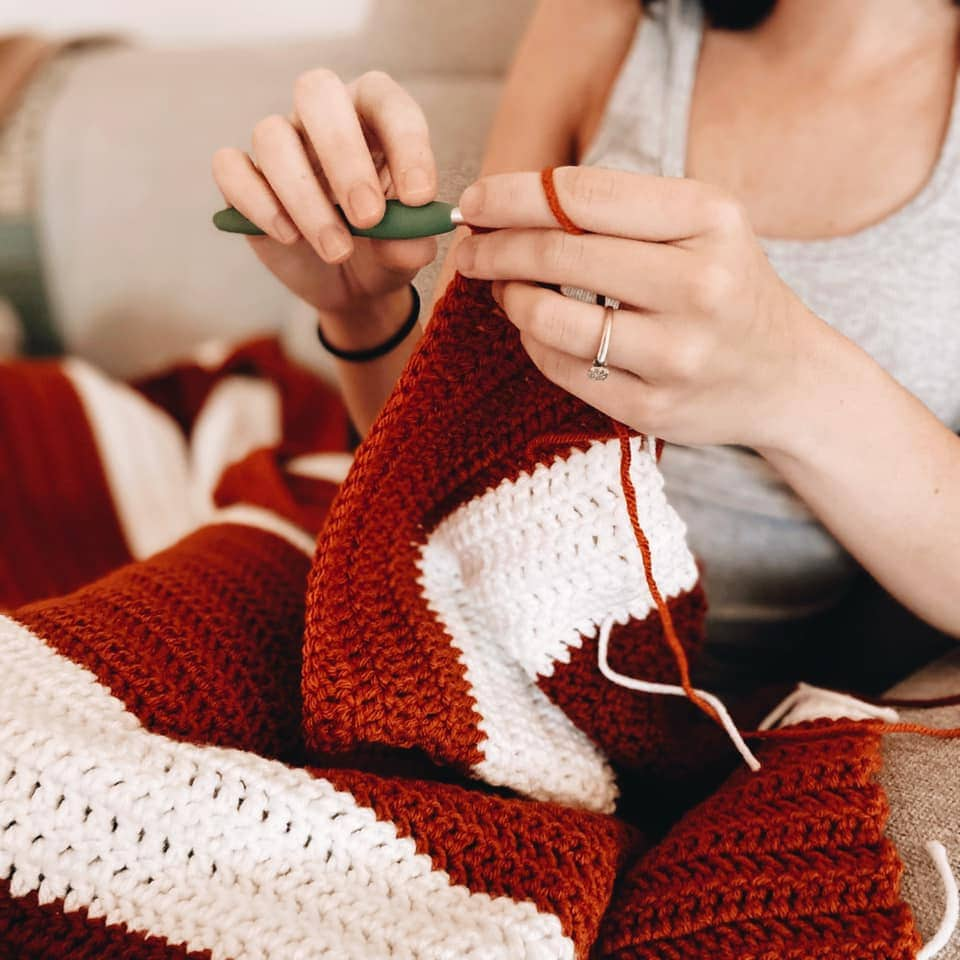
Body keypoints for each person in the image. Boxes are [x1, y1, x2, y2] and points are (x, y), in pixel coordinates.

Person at [212, 0, 960, 679]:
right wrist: (364, 315)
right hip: (464, 626)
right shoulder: (604, 21)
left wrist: (789, 380)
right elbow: (438, 471)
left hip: (719, 715)